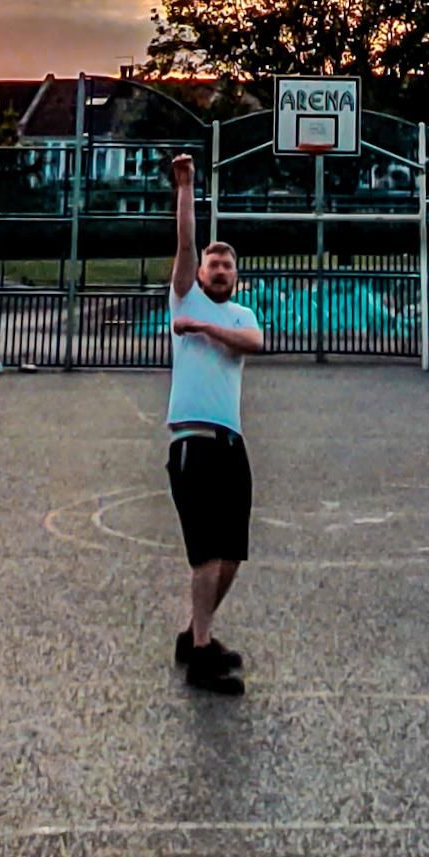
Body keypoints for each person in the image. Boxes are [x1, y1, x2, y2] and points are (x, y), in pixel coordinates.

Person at [165, 153, 265, 690]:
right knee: (206, 554)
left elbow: (255, 343)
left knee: (231, 555)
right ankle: (201, 653)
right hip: (194, 442)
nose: (219, 268)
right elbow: (183, 244)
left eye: (227, 263)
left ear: (236, 275)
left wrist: (203, 325)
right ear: (200, 274)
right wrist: (186, 187)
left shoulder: (239, 316)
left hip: (232, 446)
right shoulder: (183, 295)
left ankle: (194, 634)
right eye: (212, 263)